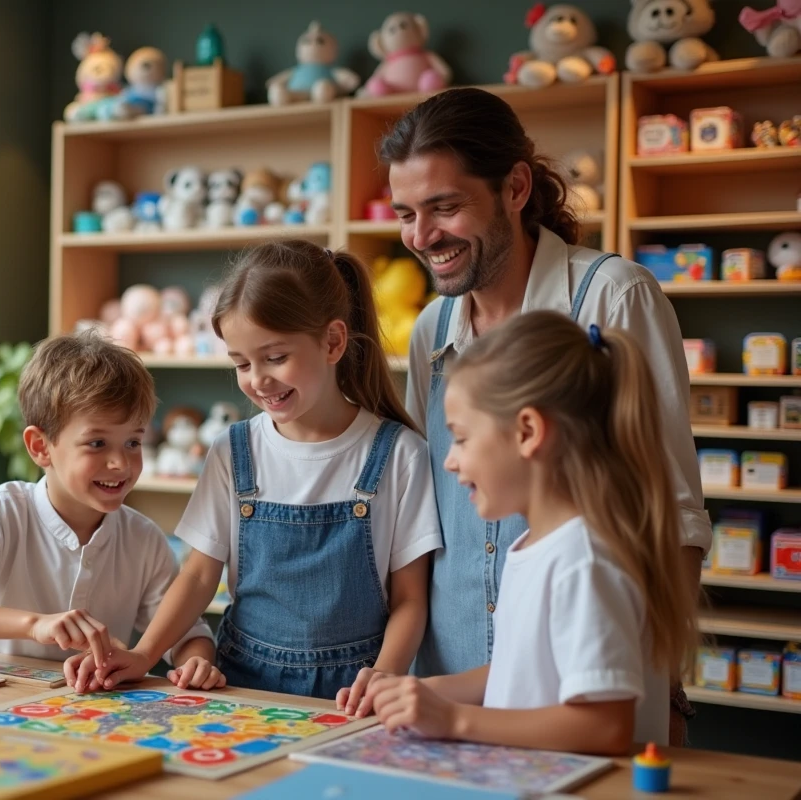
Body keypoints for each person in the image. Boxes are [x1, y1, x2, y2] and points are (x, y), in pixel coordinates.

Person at [381, 87, 709, 742]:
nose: (422, 236)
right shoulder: (431, 327)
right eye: (406, 213)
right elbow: (427, 504)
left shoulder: (613, 296)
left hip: (591, 683)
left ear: (516, 187)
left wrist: (667, 682)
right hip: (460, 667)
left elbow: (671, 506)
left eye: (445, 207)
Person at [82, 240, 443, 706]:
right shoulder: (234, 451)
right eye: (241, 363)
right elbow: (196, 576)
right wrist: (144, 651)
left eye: (275, 358)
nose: (258, 380)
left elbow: (411, 599)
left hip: (354, 693)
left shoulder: (401, 455)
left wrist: (383, 679)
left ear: (333, 341)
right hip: (240, 684)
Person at [364, 311, 697, 754]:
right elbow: (515, 671)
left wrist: (454, 719)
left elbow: (605, 726)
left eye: (461, 439)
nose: (449, 461)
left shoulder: (585, 560)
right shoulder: (537, 546)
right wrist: (424, 690)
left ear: (527, 432)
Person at [0, 331, 223, 691]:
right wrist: (35, 625)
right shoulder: (2, 513)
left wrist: (196, 661)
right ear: (40, 447)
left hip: (94, 718)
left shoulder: (143, 538)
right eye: (97, 443)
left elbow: (188, 634)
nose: (120, 462)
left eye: (133, 442)